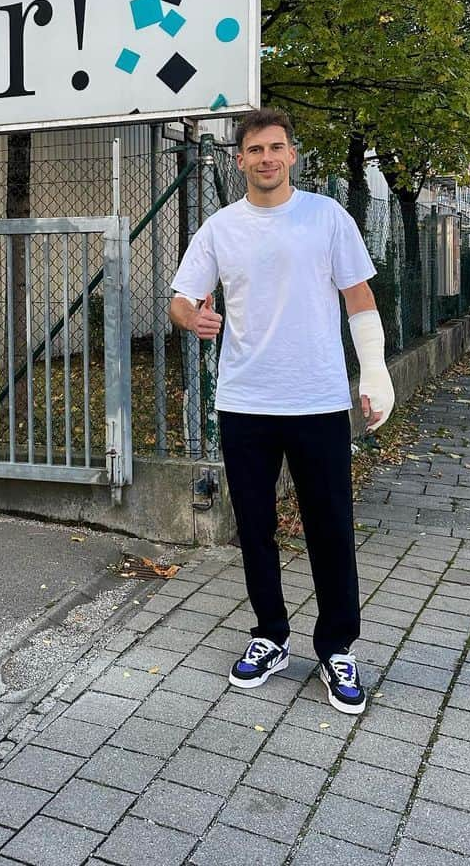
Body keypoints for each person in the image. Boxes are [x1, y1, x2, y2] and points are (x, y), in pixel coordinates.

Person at [169, 108, 394, 715]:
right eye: (253, 150)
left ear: (292, 154)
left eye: (275, 148)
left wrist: (373, 374)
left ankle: (337, 647)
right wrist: (193, 317)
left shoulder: (326, 218)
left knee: (330, 528)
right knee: (255, 528)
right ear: (239, 159)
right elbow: (180, 299)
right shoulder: (219, 229)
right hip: (245, 403)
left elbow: (359, 295)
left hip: (318, 400)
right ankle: (270, 634)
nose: (265, 158)